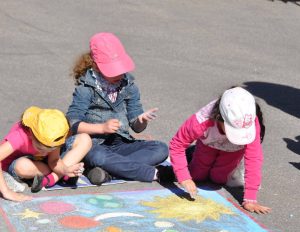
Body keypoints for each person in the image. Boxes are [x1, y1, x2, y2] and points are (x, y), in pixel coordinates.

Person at [66, 32, 169, 184]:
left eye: (120, 69)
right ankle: (151, 173)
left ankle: (108, 172)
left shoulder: (129, 86)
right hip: (94, 146)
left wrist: (141, 120)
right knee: (98, 157)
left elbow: (136, 126)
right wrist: (101, 128)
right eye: (113, 70)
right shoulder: (86, 88)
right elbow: (73, 123)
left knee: (161, 149)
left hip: (121, 144)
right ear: (96, 66)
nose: (119, 74)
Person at [169, 87, 271, 214]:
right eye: (233, 130)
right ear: (218, 117)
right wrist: (184, 177)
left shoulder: (250, 122)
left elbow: (254, 158)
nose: (232, 134)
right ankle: (192, 152)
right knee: (196, 175)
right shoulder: (201, 120)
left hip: (233, 149)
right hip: (208, 143)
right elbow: (177, 144)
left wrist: (250, 199)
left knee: (218, 179)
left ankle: (201, 158)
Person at [0, 106, 92, 202]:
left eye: (50, 149)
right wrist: (6, 191)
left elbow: (53, 160)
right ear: (30, 134)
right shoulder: (20, 136)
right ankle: (57, 176)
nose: (44, 153)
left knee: (85, 139)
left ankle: (53, 178)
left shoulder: (54, 136)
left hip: (45, 164)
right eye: (40, 148)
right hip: (21, 164)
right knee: (22, 166)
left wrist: (65, 169)